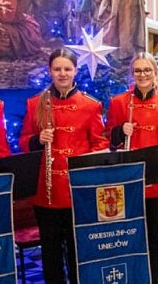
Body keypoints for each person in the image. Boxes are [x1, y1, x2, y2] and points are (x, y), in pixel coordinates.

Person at [19, 48, 109, 284]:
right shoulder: (35, 103)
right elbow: (22, 141)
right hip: (45, 191)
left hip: (76, 190)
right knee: (50, 250)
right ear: (50, 71)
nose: (62, 73)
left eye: (67, 69)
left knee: (77, 249)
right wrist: (37, 140)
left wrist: (87, 172)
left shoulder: (90, 105)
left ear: (75, 71)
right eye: (57, 69)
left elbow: (99, 144)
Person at [106, 53, 158, 283]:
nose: (143, 75)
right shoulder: (119, 102)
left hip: (155, 183)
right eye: (138, 70)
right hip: (127, 181)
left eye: (147, 70)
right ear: (132, 74)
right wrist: (120, 131)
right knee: (128, 237)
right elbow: (108, 139)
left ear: (155, 73)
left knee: (151, 239)